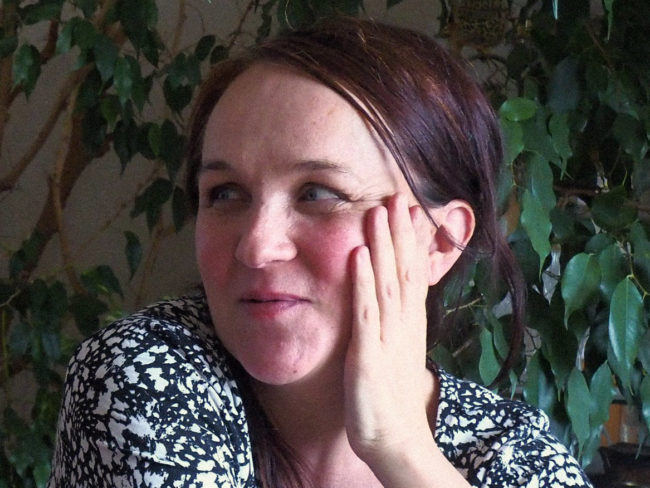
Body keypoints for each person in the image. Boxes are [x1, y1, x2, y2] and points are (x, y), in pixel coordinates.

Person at [48, 17, 593, 488]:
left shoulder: (517, 458)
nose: (257, 246)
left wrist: (402, 449)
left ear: (439, 240)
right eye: (225, 194)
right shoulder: (148, 376)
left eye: (318, 194)